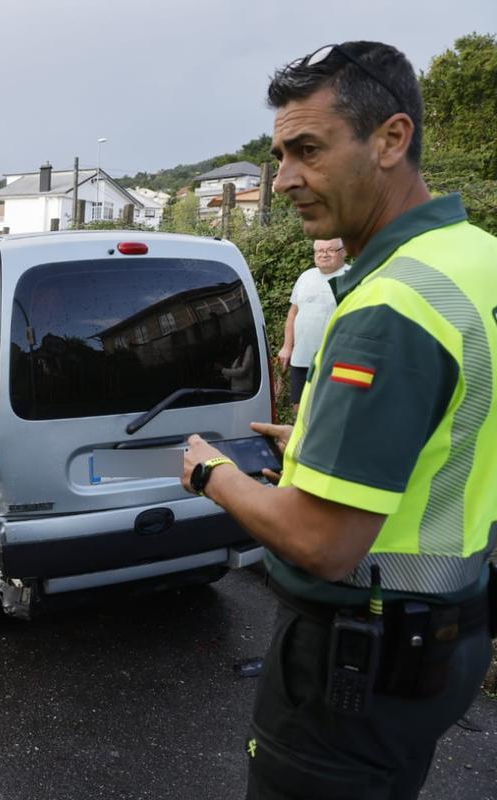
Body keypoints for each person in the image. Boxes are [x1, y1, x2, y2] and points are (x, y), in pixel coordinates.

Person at [181, 41, 496, 799]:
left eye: (307, 150)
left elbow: (323, 543)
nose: (285, 179)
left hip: (355, 670)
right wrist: (321, 447)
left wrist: (212, 474)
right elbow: (460, 421)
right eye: (280, 154)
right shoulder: (473, 256)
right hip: (446, 642)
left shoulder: (390, 306)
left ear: (391, 139)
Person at [277, 239, 348, 411]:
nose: (324, 254)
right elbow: (293, 313)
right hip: (301, 358)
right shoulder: (305, 277)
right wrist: (287, 346)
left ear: (343, 251)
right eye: (319, 251)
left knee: (330, 410)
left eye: (330, 250)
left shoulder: (352, 276)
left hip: (335, 359)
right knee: (299, 408)